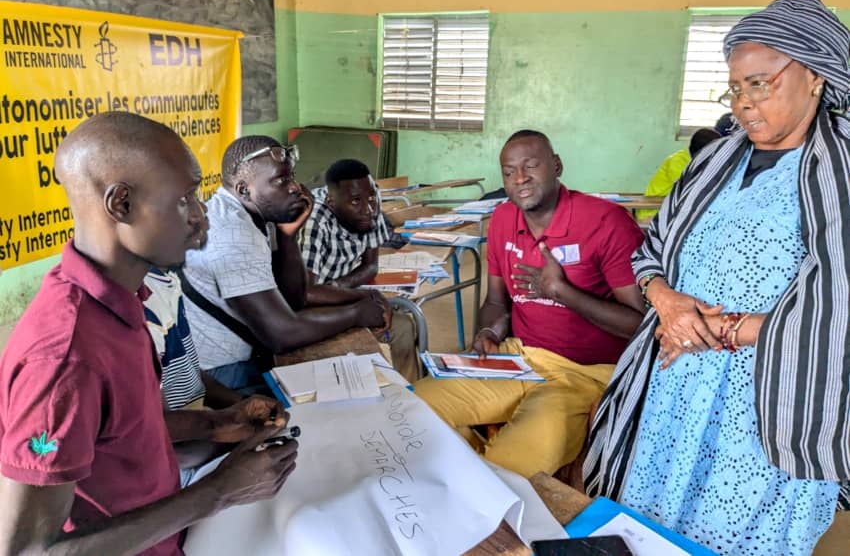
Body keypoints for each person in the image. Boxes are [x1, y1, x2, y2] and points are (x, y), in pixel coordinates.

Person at [584, 0, 850, 555]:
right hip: (674, 377)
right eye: (736, 88)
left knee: (736, 535)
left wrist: (723, 332)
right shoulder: (713, 162)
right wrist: (669, 304)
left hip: (769, 399)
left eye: (761, 84)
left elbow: (839, 303)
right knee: (649, 522)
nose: (745, 103)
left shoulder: (841, 170)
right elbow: (649, 249)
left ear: (816, 76)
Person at [0, 112, 297, 555]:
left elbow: (122, 428)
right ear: (121, 204)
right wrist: (217, 492)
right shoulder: (64, 359)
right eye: (184, 199)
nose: (201, 217)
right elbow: (29, 551)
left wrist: (217, 423)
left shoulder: (122, 300)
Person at [415, 130, 646, 478]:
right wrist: (488, 330)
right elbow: (495, 302)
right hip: (516, 357)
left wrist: (561, 291)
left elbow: (639, 324)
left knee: (510, 467)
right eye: (508, 172)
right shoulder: (504, 220)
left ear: (556, 166)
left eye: (530, 166)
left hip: (583, 374)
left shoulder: (605, 222)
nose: (519, 179)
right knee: (410, 411)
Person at [182, 136, 388, 393]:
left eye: (291, 177)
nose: (295, 188)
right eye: (281, 180)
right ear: (244, 189)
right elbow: (282, 334)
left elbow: (293, 300)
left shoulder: (259, 213)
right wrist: (356, 314)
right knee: (345, 390)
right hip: (221, 375)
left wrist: (288, 237)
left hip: (252, 351)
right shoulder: (231, 234)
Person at [298, 159, 421, 381]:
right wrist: (365, 296)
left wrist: (338, 290)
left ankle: (413, 395)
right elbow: (305, 293)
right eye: (355, 201)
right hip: (308, 308)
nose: (368, 209)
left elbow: (370, 266)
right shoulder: (315, 221)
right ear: (331, 201)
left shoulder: (370, 202)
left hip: (339, 294)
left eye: (371, 198)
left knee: (403, 326)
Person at [635, 128, 722, 219]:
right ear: (704, 152)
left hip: (671, 209)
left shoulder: (694, 159)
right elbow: (692, 190)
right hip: (654, 212)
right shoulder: (677, 162)